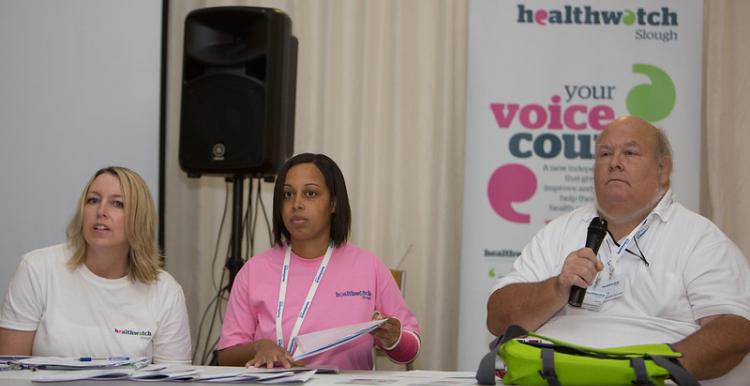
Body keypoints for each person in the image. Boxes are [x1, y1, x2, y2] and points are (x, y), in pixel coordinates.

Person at [486, 116, 750, 383]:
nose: (615, 163)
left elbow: (735, 330)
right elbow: (497, 317)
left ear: (663, 168)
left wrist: (649, 372)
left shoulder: (699, 239)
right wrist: (557, 288)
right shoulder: (559, 231)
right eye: (605, 153)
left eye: (631, 153)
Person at [217, 153, 420, 370]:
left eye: (310, 193)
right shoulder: (253, 271)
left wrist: (394, 338)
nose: (296, 204)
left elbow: (411, 349)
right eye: (287, 194)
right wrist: (259, 347)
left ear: (333, 203)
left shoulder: (368, 266)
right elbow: (226, 356)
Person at [0, 166, 191, 364]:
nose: (101, 211)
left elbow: (172, 379)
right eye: (93, 200)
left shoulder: (166, 292)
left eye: (117, 204)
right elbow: (8, 372)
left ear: (139, 219)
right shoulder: (37, 269)